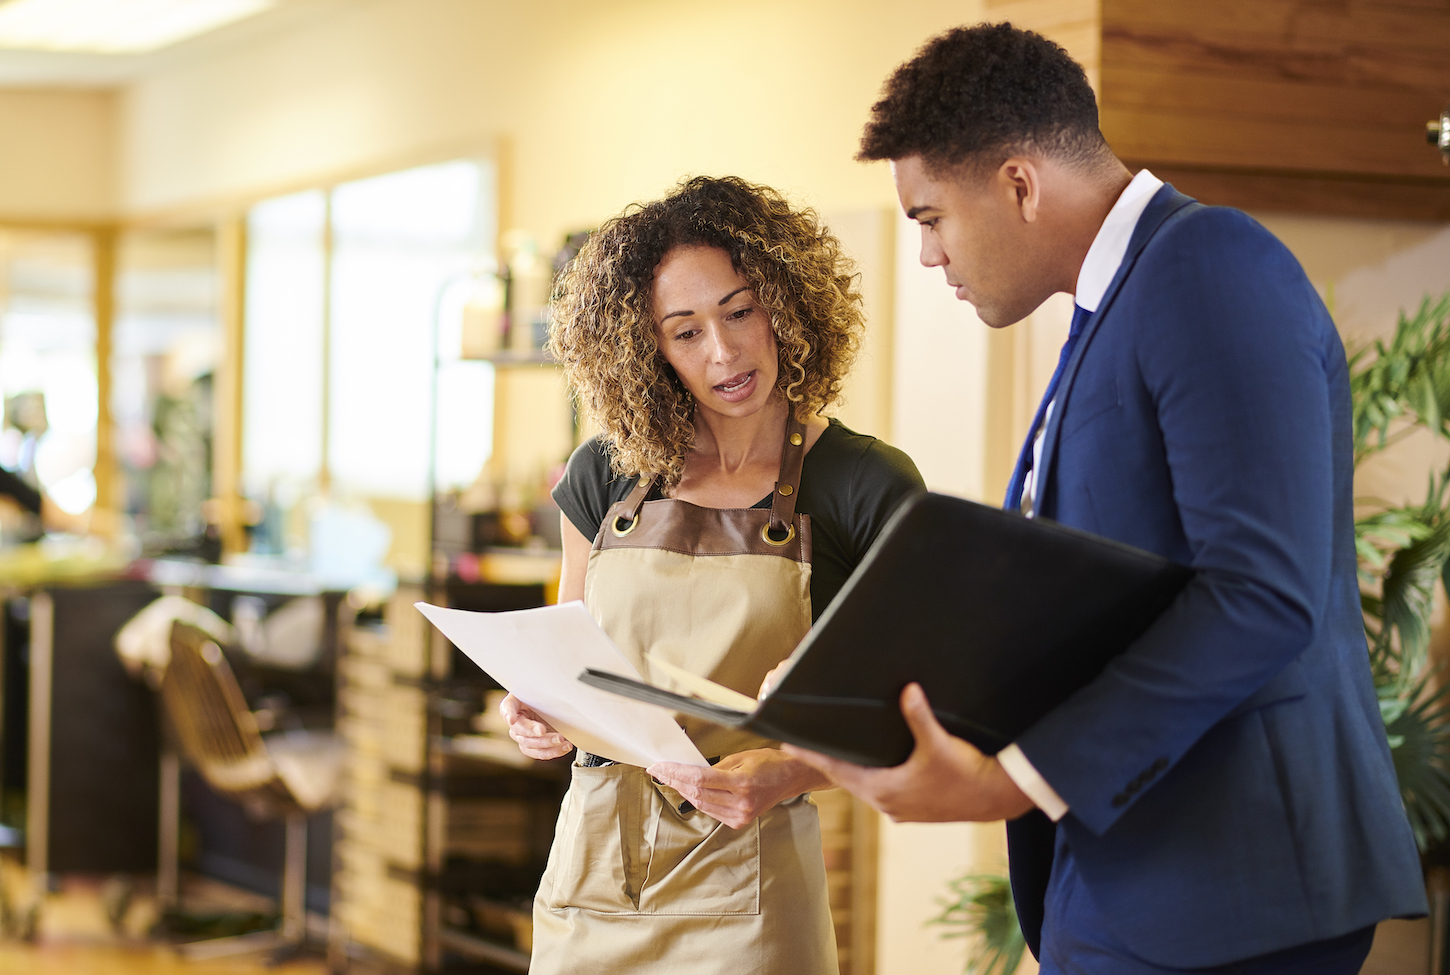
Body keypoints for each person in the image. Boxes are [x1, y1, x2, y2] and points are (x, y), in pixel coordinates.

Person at [785, 23, 1428, 975]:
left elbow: (1260, 591)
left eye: (931, 218)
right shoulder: (1111, 308)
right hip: (1139, 876)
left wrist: (1012, 780)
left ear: (1018, 184)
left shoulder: (1208, 264)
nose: (928, 256)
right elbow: (1102, 598)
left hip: (1229, 890)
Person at [500, 175, 924, 974]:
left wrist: (789, 769)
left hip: (750, 882)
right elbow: (564, 657)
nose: (723, 352)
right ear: (646, 347)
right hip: (592, 876)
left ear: (787, 303)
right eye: (684, 331)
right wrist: (533, 714)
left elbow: (906, 712)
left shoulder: (864, 485)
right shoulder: (603, 474)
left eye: (739, 311)